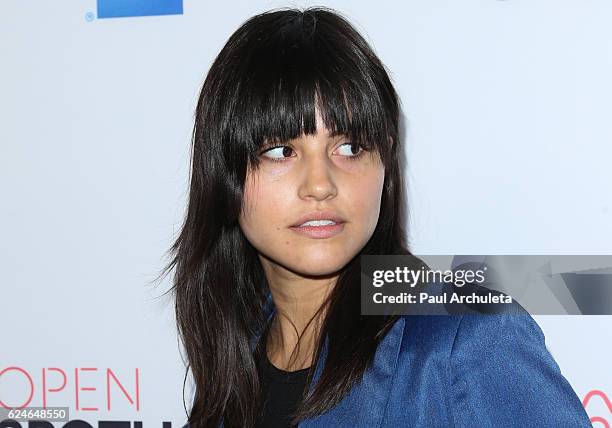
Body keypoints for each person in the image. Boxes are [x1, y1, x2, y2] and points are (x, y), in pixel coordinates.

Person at [161, 6, 592, 428]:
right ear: (223, 174)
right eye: (281, 151)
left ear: (385, 160)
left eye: (349, 148)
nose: (320, 184)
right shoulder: (234, 358)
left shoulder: (467, 336)